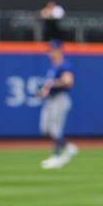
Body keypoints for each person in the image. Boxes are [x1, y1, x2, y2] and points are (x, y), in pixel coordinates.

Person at [36, 41, 78, 169]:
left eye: (52, 50)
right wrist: (43, 91)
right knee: (45, 129)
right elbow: (49, 85)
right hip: (51, 99)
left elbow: (68, 81)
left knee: (55, 128)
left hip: (60, 99)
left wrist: (52, 84)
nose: (50, 53)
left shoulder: (64, 65)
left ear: (59, 51)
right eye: (50, 50)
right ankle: (67, 146)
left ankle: (57, 156)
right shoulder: (52, 67)